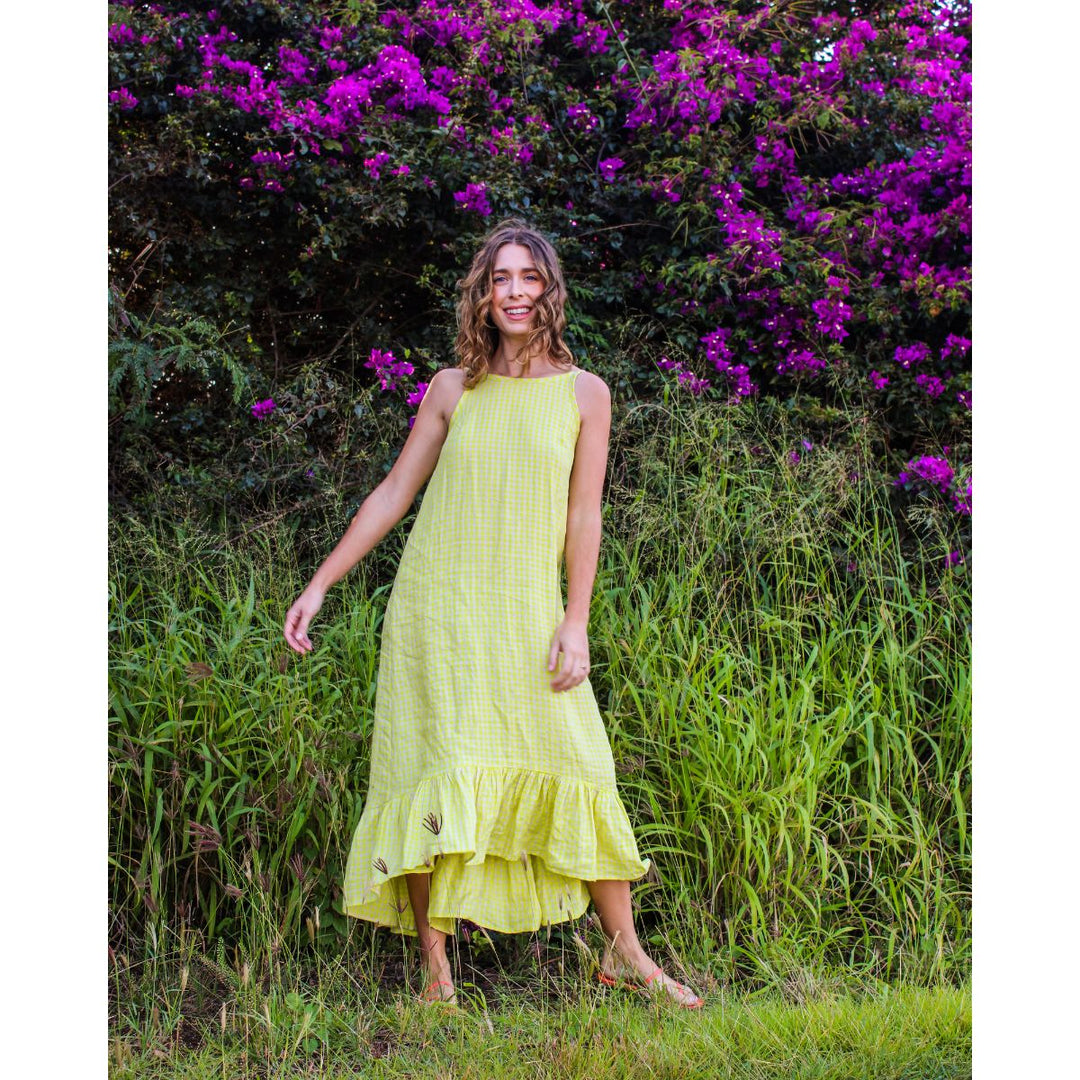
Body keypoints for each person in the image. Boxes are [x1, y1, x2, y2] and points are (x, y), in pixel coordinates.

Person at [283, 219, 703, 1009]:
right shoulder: (452, 389)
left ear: (550, 292)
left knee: (582, 764)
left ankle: (626, 956)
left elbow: (585, 518)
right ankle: (436, 976)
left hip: (526, 616)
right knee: (435, 771)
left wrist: (575, 619)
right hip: (437, 612)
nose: (514, 291)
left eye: (528, 278)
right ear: (483, 292)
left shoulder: (586, 394)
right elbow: (393, 495)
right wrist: (322, 582)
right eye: (500, 278)